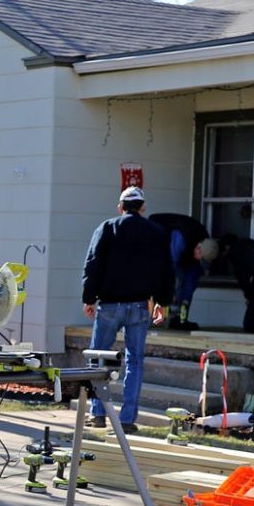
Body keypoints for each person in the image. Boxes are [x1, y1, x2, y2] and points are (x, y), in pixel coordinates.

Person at [80, 186, 174, 434]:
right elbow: (166, 270)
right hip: (141, 305)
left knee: (99, 358)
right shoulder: (156, 232)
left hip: (110, 304)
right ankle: (127, 419)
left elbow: (93, 263)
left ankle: (98, 413)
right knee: (135, 361)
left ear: (120, 207)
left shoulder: (108, 228)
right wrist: (161, 302)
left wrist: (89, 298)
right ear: (142, 207)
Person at [148, 212, 217, 330]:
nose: (200, 261)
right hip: (157, 243)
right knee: (158, 282)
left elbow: (192, 280)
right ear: (198, 249)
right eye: (201, 258)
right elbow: (169, 268)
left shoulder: (202, 248)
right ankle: (153, 318)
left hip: (183, 253)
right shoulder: (180, 239)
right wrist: (170, 293)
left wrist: (185, 300)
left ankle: (179, 319)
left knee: (187, 284)